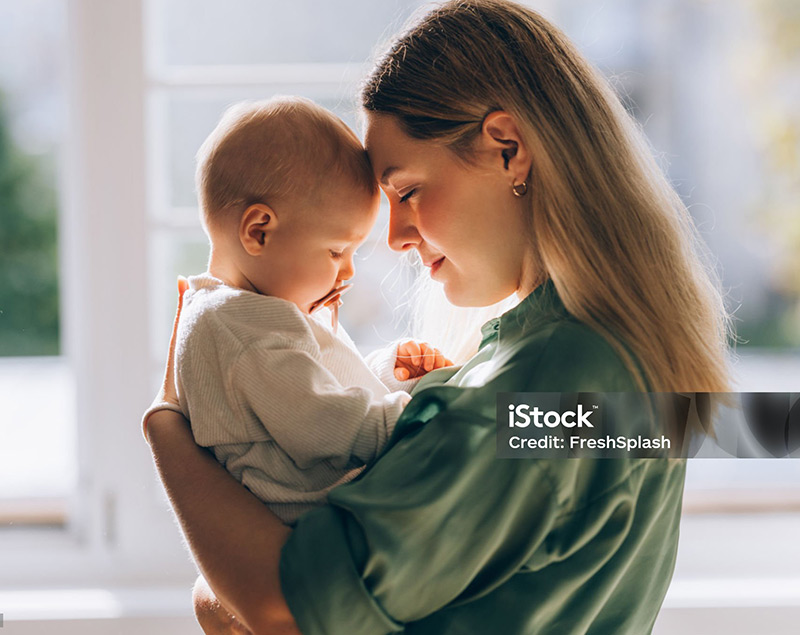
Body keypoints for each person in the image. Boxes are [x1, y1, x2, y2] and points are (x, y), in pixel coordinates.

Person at [143, 1, 733, 633]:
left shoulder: (538, 385)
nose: (393, 238)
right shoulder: (609, 363)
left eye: (408, 191)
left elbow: (285, 607)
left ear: (508, 148)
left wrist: (167, 430)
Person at [143, 96, 452, 526]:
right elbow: (323, 424)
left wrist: (384, 375)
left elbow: (305, 399)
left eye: (414, 191)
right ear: (258, 232)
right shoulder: (241, 326)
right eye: (336, 251)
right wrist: (423, 418)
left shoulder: (238, 316)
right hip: (336, 523)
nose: (347, 272)